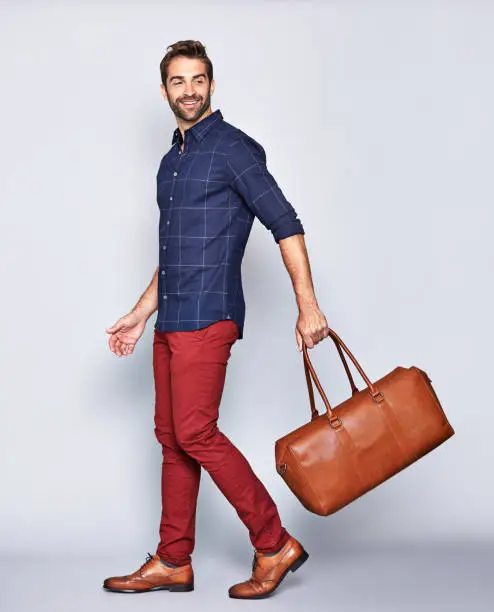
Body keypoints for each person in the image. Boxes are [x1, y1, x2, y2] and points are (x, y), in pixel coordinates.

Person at [102, 39, 328, 599]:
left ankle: (273, 543)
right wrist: (138, 314)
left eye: (198, 79)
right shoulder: (170, 163)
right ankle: (174, 561)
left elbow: (286, 223)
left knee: (195, 431)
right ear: (164, 90)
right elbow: (175, 251)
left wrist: (308, 306)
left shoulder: (234, 150)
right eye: (178, 82)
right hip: (170, 318)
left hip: (210, 315)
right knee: (171, 438)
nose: (189, 90)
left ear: (211, 84)